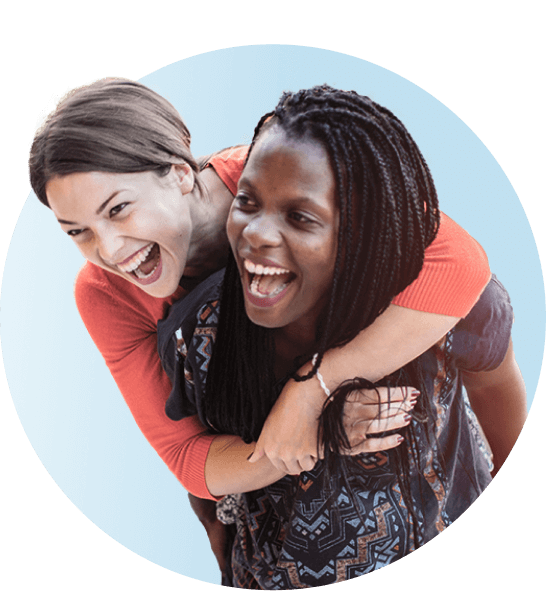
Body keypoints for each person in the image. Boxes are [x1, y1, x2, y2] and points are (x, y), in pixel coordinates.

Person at [28, 78, 493, 578]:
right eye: (78, 232)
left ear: (180, 174)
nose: (110, 250)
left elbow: (459, 262)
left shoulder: (283, 170)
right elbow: (187, 456)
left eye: (118, 209)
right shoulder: (104, 293)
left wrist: (315, 386)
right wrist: (315, 432)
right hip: (258, 496)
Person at [159, 85, 526, 588]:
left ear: (361, 231)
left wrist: (316, 390)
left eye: (301, 217)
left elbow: (494, 386)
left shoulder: (447, 313)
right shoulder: (196, 337)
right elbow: (207, 489)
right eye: (247, 200)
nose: (257, 234)